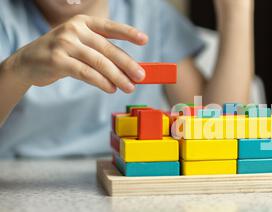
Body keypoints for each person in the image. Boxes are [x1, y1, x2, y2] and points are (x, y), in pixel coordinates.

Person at [0, 0, 254, 158]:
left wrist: (237, 10)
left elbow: (216, 127)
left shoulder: (150, 14)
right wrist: (16, 69)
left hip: (125, 179)